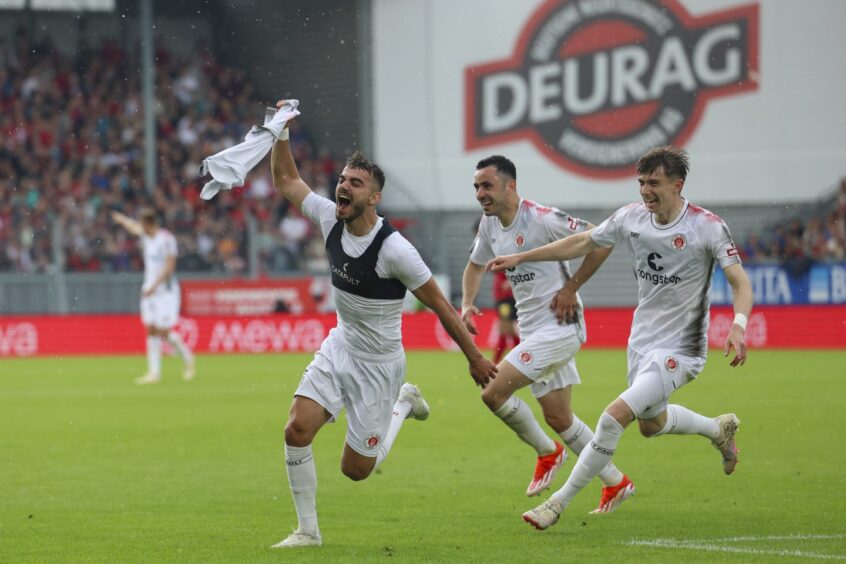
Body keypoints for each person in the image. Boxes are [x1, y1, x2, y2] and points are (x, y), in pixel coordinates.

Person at [268, 100, 498, 549]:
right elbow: (286, 179)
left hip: (379, 365)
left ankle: (404, 404)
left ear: (373, 197)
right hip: (341, 347)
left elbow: (439, 305)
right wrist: (281, 131)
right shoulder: (327, 218)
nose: (343, 187)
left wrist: (474, 358)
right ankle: (308, 531)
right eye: (342, 180)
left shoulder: (395, 251)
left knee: (357, 471)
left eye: (355, 183)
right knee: (296, 428)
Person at [487, 146, 753, 531]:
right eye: (642, 182)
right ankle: (717, 429)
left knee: (613, 419)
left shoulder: (707, 226)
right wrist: (523, 257)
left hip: (681, 348)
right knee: (652, 424)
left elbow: (740, 282)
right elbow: (583, 243)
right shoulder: (631, 218)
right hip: (642, 342)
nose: (645, 190)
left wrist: (739, 325)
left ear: (678, 185)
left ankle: (557, 504)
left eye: (655, 183)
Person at [462, 155, 632, 510]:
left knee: (492, 393)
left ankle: (547, 452)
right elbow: (475, 265)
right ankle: (616, 482)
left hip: (559, 328)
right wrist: (466, 303)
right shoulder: (490, 224)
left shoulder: (542, 218)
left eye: (487, 185)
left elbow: (601, 241)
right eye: (477, 186)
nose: (480, 193)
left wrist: (571, 287)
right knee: (559, 417)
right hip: (534, 331)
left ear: (511, 186)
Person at [111, 208, 195, 384]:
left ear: (150, 224)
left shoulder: (166, 240)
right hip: (149, 290)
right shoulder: (146, 235)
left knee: (164, 333)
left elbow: (170, 267)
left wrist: (155, 286)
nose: (141, 229)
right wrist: (121, 219)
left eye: (143, 225)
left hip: (166, 291)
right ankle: (154, 373)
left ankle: (188, 359)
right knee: (150, 329)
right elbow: (133, 227)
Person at [491, 269, 520, 364]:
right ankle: (518, 359)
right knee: (508, 332)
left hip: (507, 300)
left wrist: (510, 281)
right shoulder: (504, 267)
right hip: (505, 300)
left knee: (507, 332)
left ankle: (496, 362)